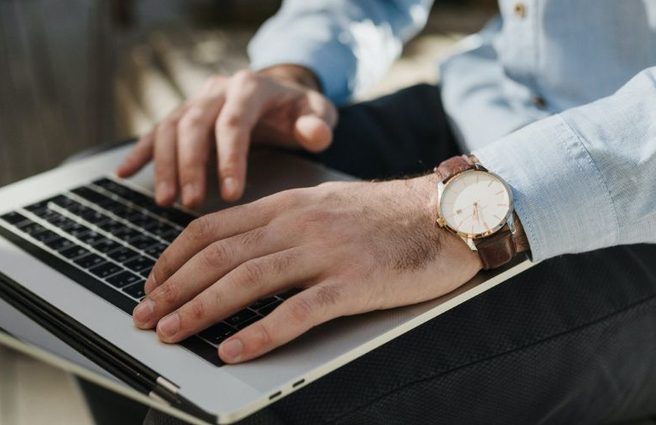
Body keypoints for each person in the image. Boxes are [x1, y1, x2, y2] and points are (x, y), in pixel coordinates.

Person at [103, 0, 656, 423]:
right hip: (488, 105)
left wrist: (436, 216)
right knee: (118, 217)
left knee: (249, 400)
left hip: (630, 200)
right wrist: (295, 68)